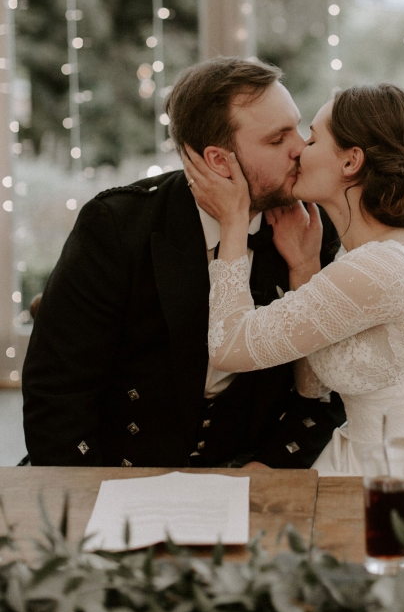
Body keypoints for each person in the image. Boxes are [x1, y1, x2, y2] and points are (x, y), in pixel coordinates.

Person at [184, 82, 404, 475]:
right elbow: (313, 386)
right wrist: (304, 267)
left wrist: (233, 221)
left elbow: (229, 347)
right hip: (366, 459)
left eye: (314, 138)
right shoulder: (366, 255)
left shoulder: (381, 267)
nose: (300, 148)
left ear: (351, 162)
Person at [22, 58, 344, 468]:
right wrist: (95, 503)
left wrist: (270, 470)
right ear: (218, 161)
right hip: (118, 477)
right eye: (277, 139)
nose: (300, 148)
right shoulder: (118, 226)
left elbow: (325, 391)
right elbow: (57, 394)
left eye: (297, 128)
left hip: (252, 475)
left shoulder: (315, 227)